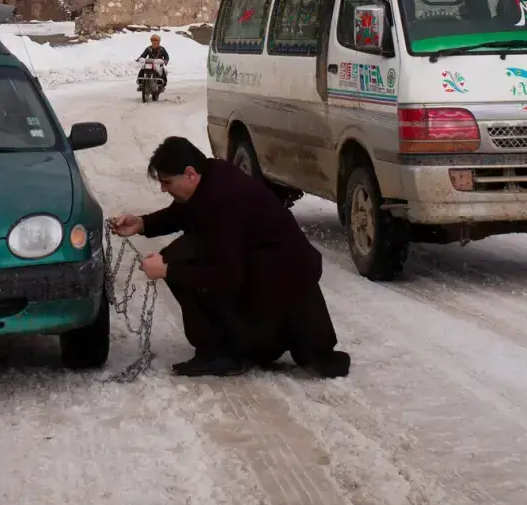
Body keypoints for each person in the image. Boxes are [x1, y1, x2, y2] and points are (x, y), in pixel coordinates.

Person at [110, 137, 350, 378]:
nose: (164, 189)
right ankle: (245, 340)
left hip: (281, 287)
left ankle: (221, 353)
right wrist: (143, 223)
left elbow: (226, 277)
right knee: (183, 254)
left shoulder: (226, 204)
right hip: (274, 274)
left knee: (180, 262)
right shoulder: (212, 175)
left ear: (190, 174)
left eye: (167, 182)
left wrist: (168, 271)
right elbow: (184, 211)